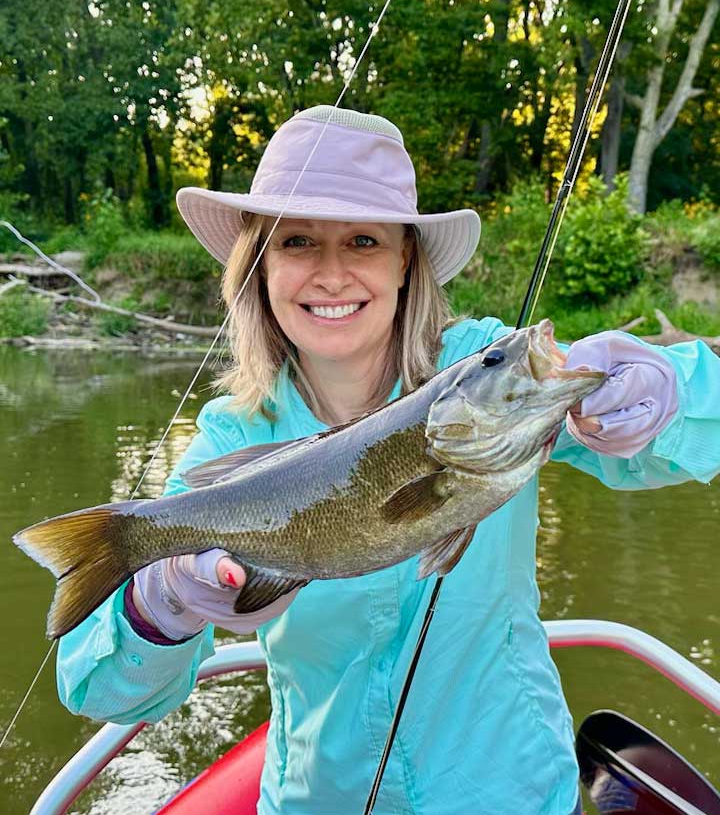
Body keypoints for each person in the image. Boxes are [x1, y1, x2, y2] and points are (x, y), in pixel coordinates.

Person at [56, 106, 720, 815]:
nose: (332, 273)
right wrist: (163, 603)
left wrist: (664, 392)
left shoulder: (485, 369)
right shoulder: (230, 439)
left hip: (507, 792)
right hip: (318, 800)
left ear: (406, 258)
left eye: (364, 240)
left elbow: (676, 446)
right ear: (258, 264)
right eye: (299, 241)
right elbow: (98, 690)